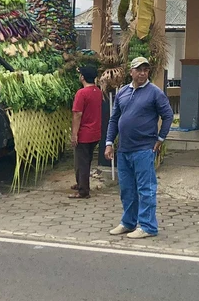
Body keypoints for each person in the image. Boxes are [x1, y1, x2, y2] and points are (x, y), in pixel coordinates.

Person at [104, 56, 174, 239]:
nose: (142, 73)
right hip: (124, 149)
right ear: (131, 72)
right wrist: (109, 142)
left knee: (146, 189)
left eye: (145, 70)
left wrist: (160, 138)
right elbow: (114, 119)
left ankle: (148, 226)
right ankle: (128, 222)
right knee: (127, 189)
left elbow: (168, 115)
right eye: (139, 69)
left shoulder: (154, 92)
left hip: (144, 148)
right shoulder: (123, 93)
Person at [70, 65, 104, 199]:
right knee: (87, 160)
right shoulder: (98, 91)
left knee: (81, 162)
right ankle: (81, 183)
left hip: (84, 133)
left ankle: (83, 191)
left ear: (82, 77)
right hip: (95, 133)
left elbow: (77, 114)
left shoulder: (81, 93)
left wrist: (74, 134)